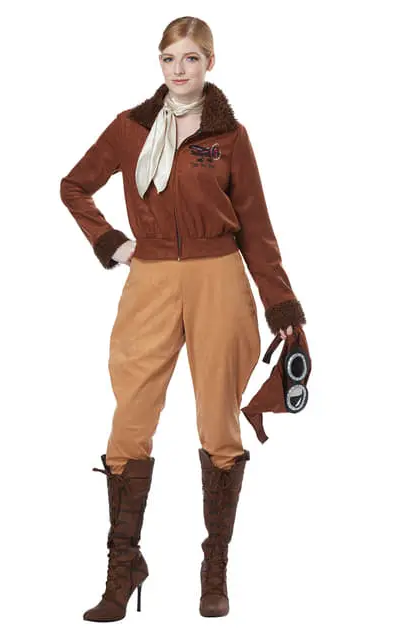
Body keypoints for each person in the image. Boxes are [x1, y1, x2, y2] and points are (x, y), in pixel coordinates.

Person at [60, 15, 306, 622]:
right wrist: (111, 243)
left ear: (209, 63)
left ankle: (214, 569)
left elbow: (256, 224)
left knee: (218, 419)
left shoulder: (230, 137)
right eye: (169, 58)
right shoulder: (130, 129)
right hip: (149, 280)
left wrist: (281, 305)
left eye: (191, 58)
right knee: (131, 416)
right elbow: (74, 186)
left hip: (218, 276)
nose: (179, 69)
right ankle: (123, 566)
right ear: (160, 63)